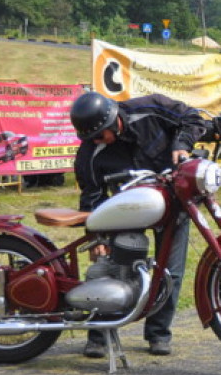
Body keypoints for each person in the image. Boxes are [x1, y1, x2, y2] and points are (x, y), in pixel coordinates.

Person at [70, 91, 208, 358]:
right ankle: (99, 335)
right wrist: (95, 236)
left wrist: (182, 143)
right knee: (112, 269)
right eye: (89, 139)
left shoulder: (151, 108)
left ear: (112, 122)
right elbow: (92, 196)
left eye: (99, 136)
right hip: (127, 209)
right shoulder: (89, 152)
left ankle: (158, 334)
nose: (95, 142)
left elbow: (192, 118)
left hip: (172, 202)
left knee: (171, 272)